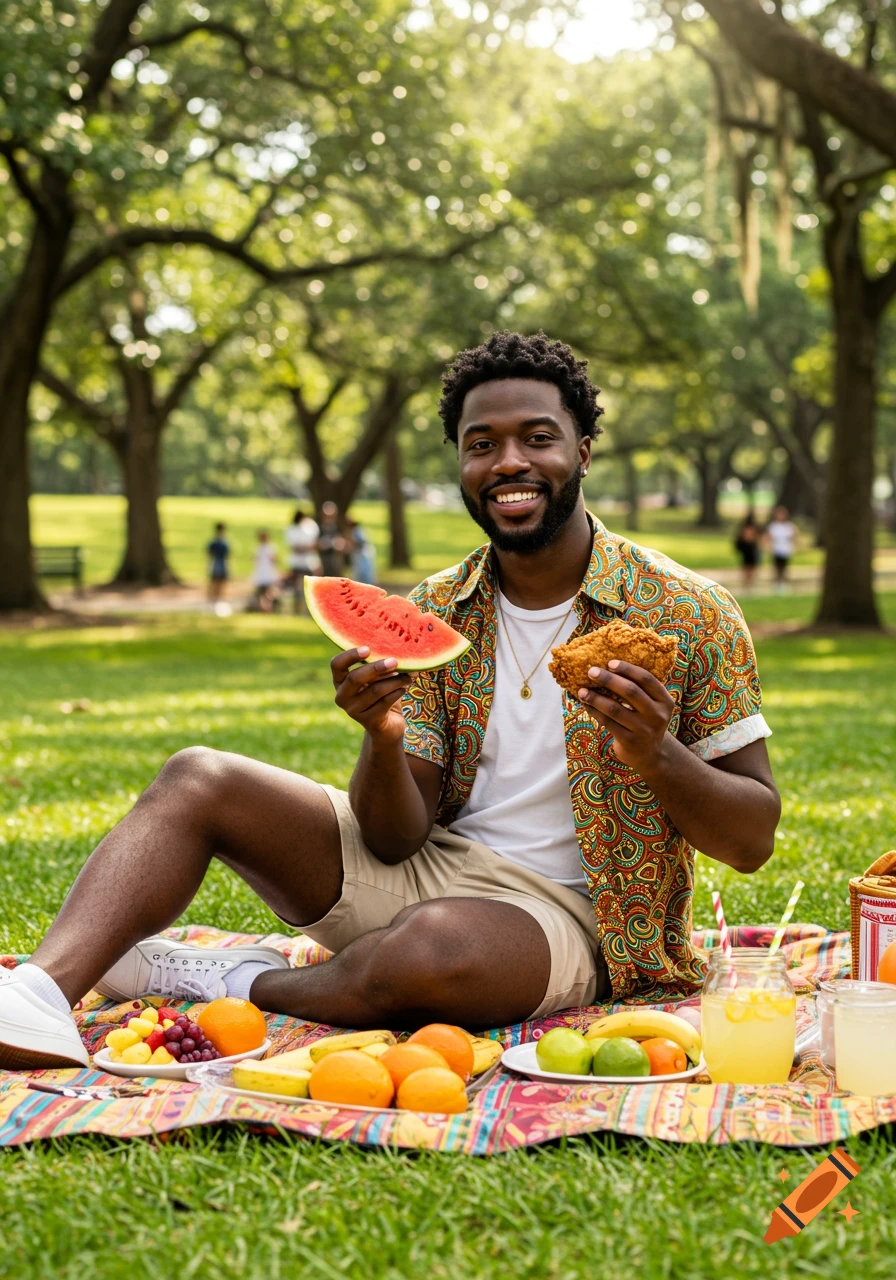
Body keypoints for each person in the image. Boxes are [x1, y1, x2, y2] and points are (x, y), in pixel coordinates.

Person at [0, 331, 781, 1070]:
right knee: (198, 775)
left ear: (582, 449)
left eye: (537, 438)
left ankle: (230, 980)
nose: (509, 462)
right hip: (431, 871)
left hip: (580, 920)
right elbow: (395, 836)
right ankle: (37, 994)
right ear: (462, 464)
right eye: (482, 445)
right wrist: (380, 732)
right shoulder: (438, 608)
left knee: (428, 953)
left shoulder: (688, 612)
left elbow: (751, 839)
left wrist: (656, 753)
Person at [284, 508, 320, 613]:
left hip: (308, 562)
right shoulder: (292, 529)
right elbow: (295, 547)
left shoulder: (310, 527)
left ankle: (306, 611)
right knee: (297, 588)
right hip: (298, 562)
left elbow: (312, 545)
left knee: (308, 588)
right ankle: (297, 610)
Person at [765, 505, 798, 589]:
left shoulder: (789, 526)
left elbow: (794, 536)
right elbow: (769, 537)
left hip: (786, 549)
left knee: (784, 567)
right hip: (776, 549)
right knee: (776, 567)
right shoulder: (773, 526)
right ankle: (776, 583)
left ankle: (783, 583)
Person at [251, 530, 279, 613]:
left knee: (266, 592)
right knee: (265, 592)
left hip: (265, 573)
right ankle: (265, 608)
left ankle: (266, 607)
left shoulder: (264, 548)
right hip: (264, 573)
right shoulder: (263, 548)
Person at [733, 511, 762, 590]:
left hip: (751, 550)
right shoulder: (750, 528)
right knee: (748, 568)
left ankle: (748, 585)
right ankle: (748, 585)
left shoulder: (746, 528)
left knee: (750, 568)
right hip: (748, 550)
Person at [317, 502, 346, 576]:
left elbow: (346, 543)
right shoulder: (317, 528)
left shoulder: (339, 527)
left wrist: (340, 544)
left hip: (335, 562)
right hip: (322, 562)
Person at [346, 518, 376, 584]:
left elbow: (361, 542)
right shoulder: (354, 531)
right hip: (357, 554)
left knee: (365, 572)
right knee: (357, 574)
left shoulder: (358, 531)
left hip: (363, 554)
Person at [206, 523, 230, 607]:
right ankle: (214, 598)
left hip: (218, 563)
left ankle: (217, 598)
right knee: (216, 581)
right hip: (218, 563)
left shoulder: (221, 543)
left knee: (219, 582)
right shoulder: (221, 543)